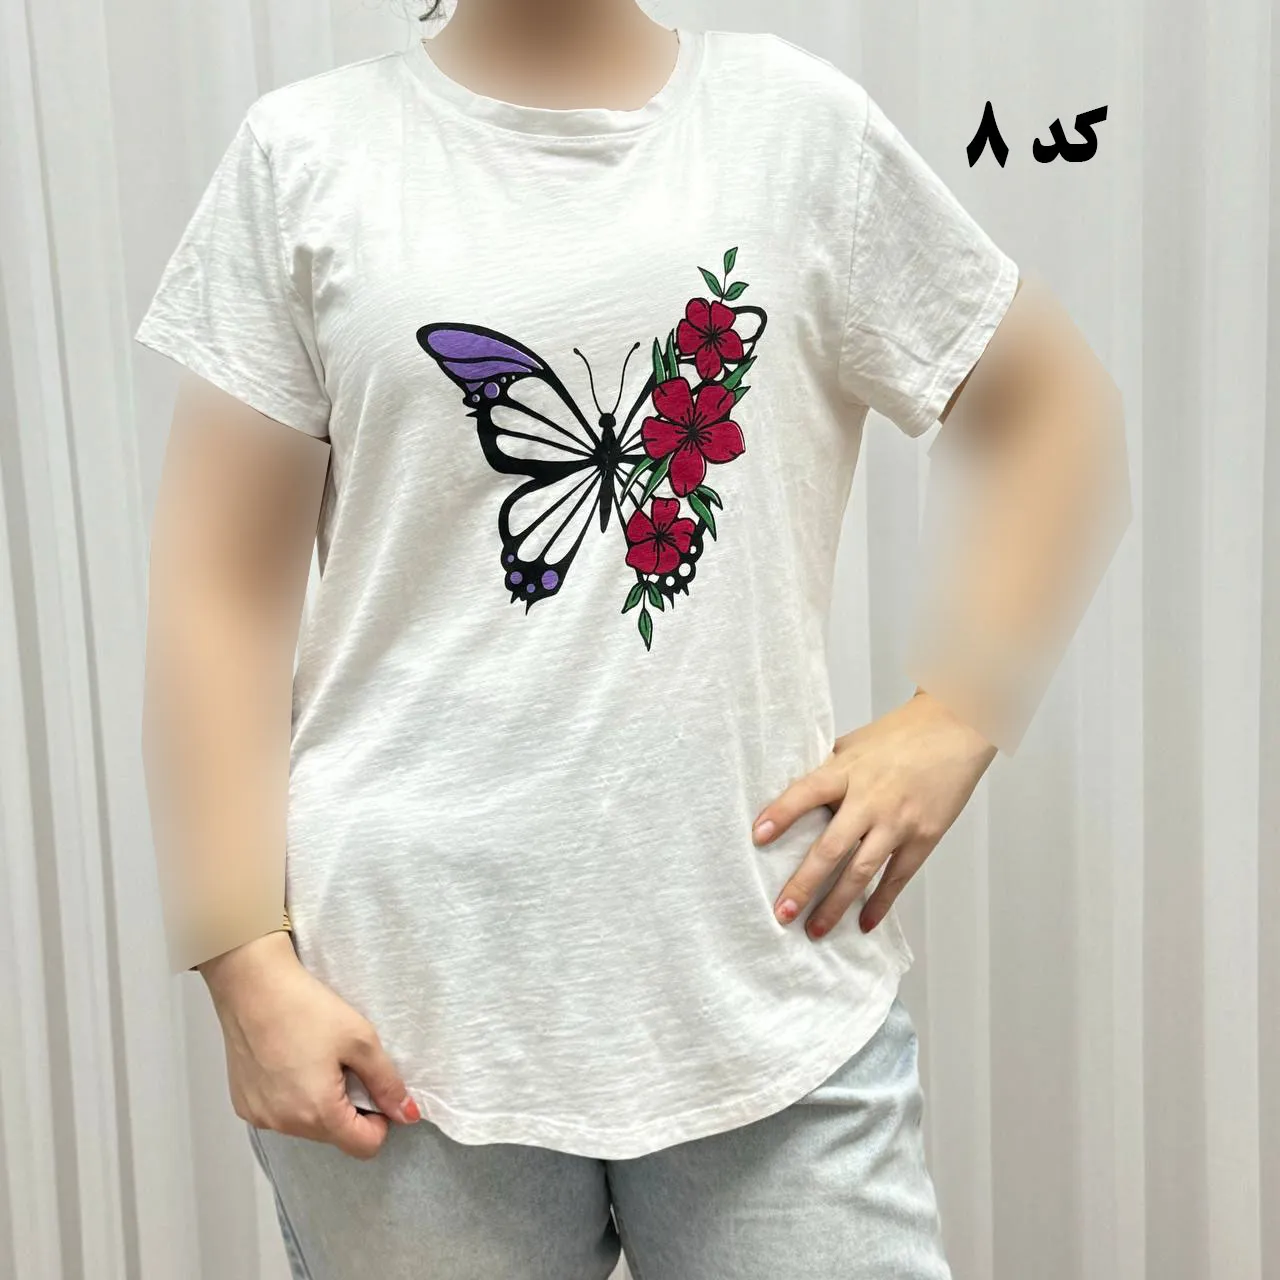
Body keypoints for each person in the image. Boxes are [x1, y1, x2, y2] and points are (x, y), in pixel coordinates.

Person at [135, 0, 1127, 1276]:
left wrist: (959, 713)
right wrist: (240, 960)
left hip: (766, 983)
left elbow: (1049, 404)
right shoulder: (304, 156)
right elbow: (220, 587)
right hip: (401, 1018)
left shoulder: (793, 127)